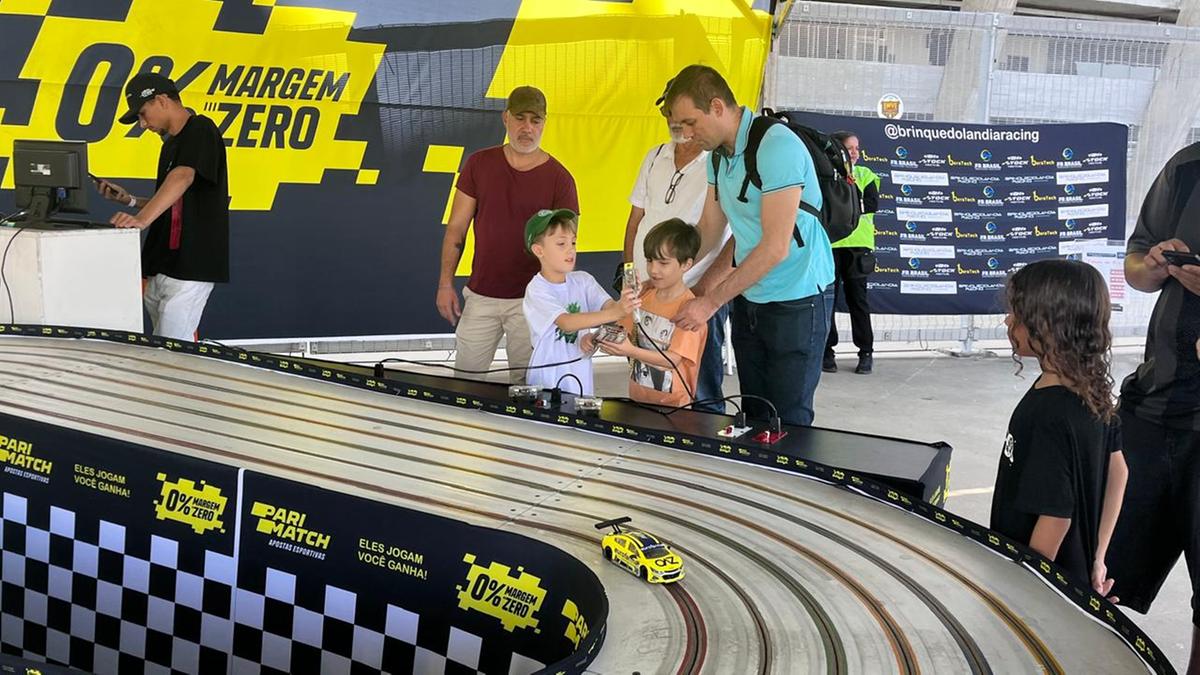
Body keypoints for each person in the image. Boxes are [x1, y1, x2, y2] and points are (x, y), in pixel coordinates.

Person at [666, 64, 835, 426]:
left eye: (691, 123)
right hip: (750, 297)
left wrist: (710, 302)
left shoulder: (777, 146)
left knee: (787, 420)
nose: (687, 134)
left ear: (716, 106)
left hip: (798, 299)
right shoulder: (717, 155)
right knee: (755, 413)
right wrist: (671, 275)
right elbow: (711, 229)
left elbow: (775, 247)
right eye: (681, 127)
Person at [1108, 141, 1200, 675]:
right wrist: (1156, 265)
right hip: (1153, 407)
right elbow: (1137, 267)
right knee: (1103, 573)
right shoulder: (1187, 168)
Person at [989, 259, 1128, 592]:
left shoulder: (1049, 414)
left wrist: (1022, 590)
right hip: (1073, 574)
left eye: (1017, 314)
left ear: (1048, 326)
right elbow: (1119, 471)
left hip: (1040, 588)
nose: (1007, 320)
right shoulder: (1091, 391)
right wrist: (1097, 555)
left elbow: (1055, 517)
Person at [436, 86, 579, 384]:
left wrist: (558, 302)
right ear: (505, 118)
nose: (527, 127)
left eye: (535, 120)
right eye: (520, 117)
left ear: (545, 123)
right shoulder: (479, 164)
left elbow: (566, 248)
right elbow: (456, 229)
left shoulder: (561, 179)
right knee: (464, 382)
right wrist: (445, 284)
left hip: (533, 301)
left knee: (528, 389)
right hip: (480, 296)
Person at [98, 72, 229, 342]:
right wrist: (130, 201)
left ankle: (182, 384)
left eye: (143, 114)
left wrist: (141, 219)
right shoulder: (169, 145)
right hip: (162, 263)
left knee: (172, 350)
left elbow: (183, 177)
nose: (143, 124)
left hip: (192, 263)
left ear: (161, 100)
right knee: (164, 346)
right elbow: (175, 200)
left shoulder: (201, 129)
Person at [623, 94, 731, 412]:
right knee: (648, 376)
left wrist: (706, 294)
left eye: (683, 117)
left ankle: (705, 444)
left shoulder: (719, 162)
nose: (675, 122)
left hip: (696, 292)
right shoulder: (655, 155)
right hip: (649, 288)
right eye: (668, 113)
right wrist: (630, 274)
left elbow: (736, 235)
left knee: (699, 382)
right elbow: (634, 220)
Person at [522, 209, 638, 395]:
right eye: (561, 243)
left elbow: (610, 308)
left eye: (573, 242)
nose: (571, 249)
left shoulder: (583, 280)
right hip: (547, 378)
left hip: (581, 377)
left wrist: (625, 301)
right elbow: (567, 322)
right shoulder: (537, 289)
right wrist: (616, 311)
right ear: (539, 250)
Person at [602, 219, 707, 408]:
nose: (653, 270)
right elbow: (622, 330)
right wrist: (598, 339)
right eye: (650, 260)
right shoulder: (644, 296)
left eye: (663, 263)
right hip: (638, 397)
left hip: (674, 405)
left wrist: (630, 351)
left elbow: (673, 359)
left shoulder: (690, 311)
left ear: (686, 264)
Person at [823, 130, 880, 375]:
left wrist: (845, 195)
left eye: (857, 147)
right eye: (850, 147)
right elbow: (826, 207)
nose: (855, 152)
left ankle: (865, 353)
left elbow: (869, 206)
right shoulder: (825, 175)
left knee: (859, 302)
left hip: (858, 247)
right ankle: (827, 352)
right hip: (831, 246)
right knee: (828, 302)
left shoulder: (867, 175)